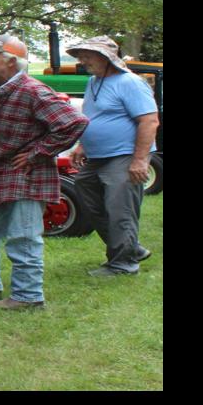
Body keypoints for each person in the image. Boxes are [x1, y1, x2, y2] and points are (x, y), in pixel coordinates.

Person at [0, 33, 87, 310]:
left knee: (23, 236)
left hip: (27, 176)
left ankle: (28, 296)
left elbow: (73, 122)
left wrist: (37, 153)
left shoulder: (33, 91)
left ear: (11, 61)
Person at [63, 35, 160, 275]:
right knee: (86, 192)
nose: (83, 61)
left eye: (87, 56)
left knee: (120, 210)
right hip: (98, 156)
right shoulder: (94, 82)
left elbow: (149, 121)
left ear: (106, 57)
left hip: (125, 155)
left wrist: (140, 160)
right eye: (80, 56)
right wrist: (83, 145)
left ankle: (123, 264)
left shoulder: (130, 82)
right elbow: (94, 116)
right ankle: (131, 248)